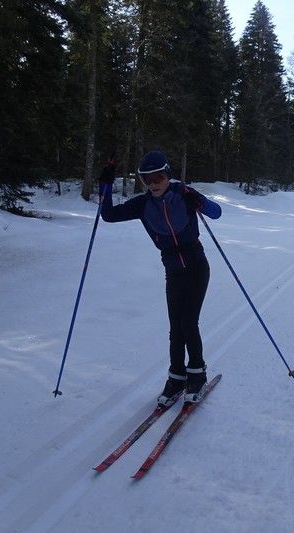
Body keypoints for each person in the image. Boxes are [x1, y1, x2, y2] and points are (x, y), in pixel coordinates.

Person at [96, 150, 222, 406]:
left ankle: (197, 374)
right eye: (147, 179)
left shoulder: (183, 195)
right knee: (176, 327)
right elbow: (108, 215)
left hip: (197, 266)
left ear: (168, 175)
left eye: (159, 177)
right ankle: (176, 378)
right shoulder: (143, 205)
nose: (154, 184)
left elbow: (216, 213)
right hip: (173, 270)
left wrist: (197, 198)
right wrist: (105, 184)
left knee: (188, 323)